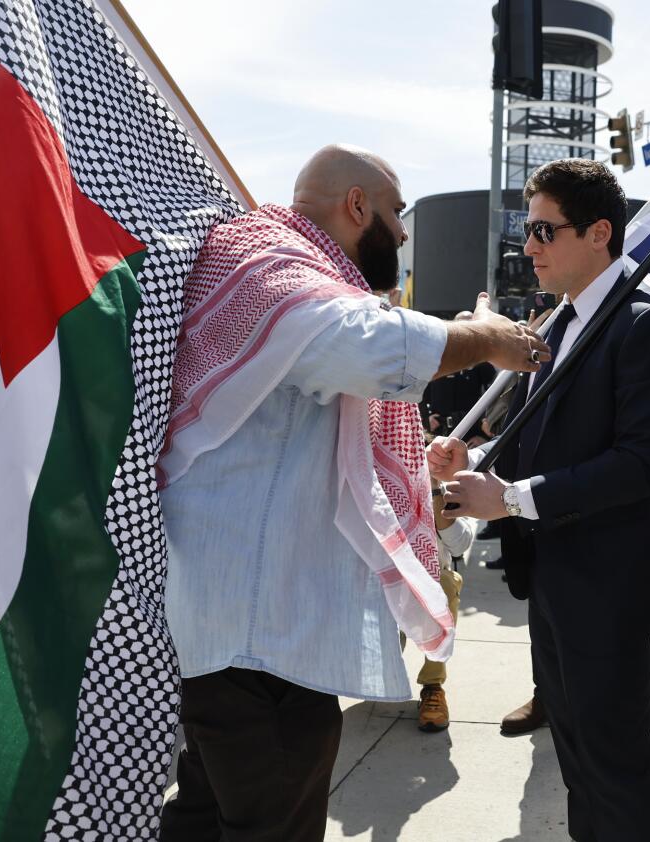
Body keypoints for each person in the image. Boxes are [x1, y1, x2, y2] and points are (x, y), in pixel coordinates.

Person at [157, 144, 550, 841]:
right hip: (260, 640)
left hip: (239, 630)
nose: (402, 232)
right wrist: (487, 335)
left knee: (205, 819)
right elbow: (367, 348)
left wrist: (418, 469)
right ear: (357, 205)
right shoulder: (274, 264)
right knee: (272, 822)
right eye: (397, 213)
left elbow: (306, 432)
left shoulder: (275, 263)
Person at [430, 158, 650, 841]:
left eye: (545, 232)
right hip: (553, 576)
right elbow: (540, 441)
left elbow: (641, 466)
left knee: (613, 764)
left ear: (600, 232)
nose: (530, 248)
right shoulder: (556, 325)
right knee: (579, 757)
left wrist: (510, 497)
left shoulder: (649, 327)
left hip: (609, 585)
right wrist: (477, 460)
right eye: (530, 231)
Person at [414, 480, 474, 732]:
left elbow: (460, 545)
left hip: (429, 581)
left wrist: (435, 491)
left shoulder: (446, 484)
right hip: (380, 584)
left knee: (445, 584)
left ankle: (433, 686)